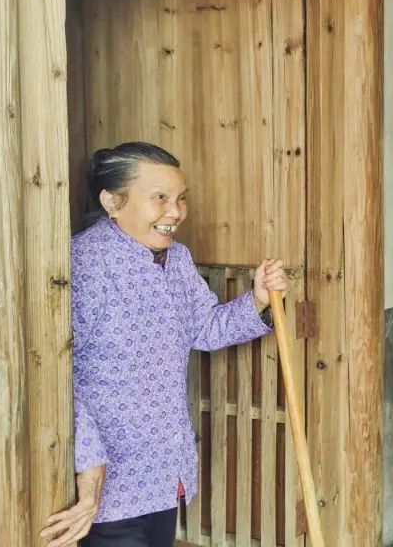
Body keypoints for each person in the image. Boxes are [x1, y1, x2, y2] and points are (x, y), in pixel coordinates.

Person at [40, 142, 289, 547]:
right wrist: (89, 462)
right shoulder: (80, 265)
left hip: (162, 468)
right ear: (112, 202)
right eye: (160, 198)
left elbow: (205, 328)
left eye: (180, 199)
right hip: (106, 483)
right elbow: (54, 376)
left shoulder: (177, 260)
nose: (175, 212)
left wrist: (258, 299)